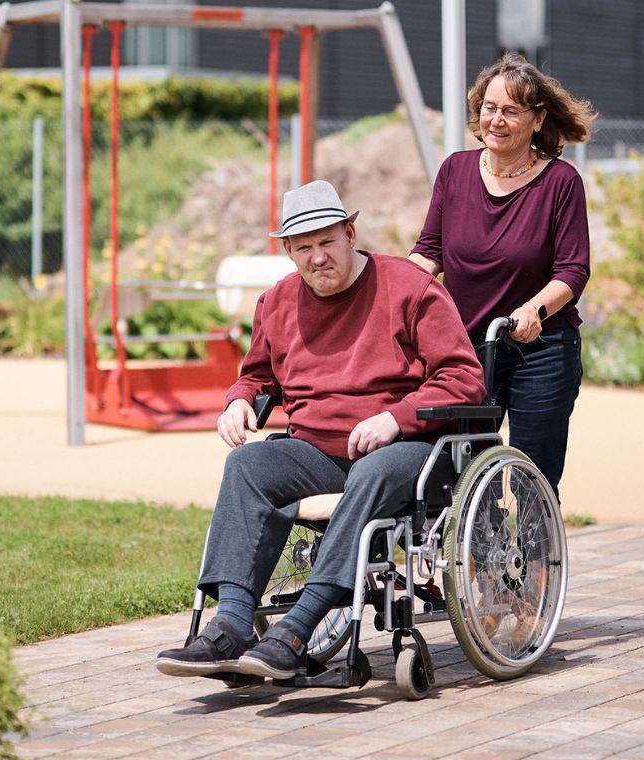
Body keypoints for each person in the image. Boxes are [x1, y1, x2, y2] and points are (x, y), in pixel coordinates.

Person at [155, 180, 484, 680]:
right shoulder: (278, 302)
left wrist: (395, 417)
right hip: (317, 452)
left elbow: (463, 378)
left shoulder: (410, 288)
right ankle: (232, 627)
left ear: (350, 233)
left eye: (327, 242)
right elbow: (257, 376)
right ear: (288, 251)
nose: (318, 258)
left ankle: (296, 630)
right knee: (248, 463)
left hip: (406, 450)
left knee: (372, 471)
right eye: (303, 248)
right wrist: (239, 401)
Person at [410, 52, 594, 492]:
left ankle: (538, 558)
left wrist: (533, 310)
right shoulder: (454, 171)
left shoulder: (560, 182)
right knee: (465, 476)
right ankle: (479, 560)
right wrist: (394, 292)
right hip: (465, 348)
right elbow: (429, 252)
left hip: (541, 348)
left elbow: (573, 270)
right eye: (489, 108)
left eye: (510, 111)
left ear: (537, 119)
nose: (496, 119)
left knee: (532, 478)